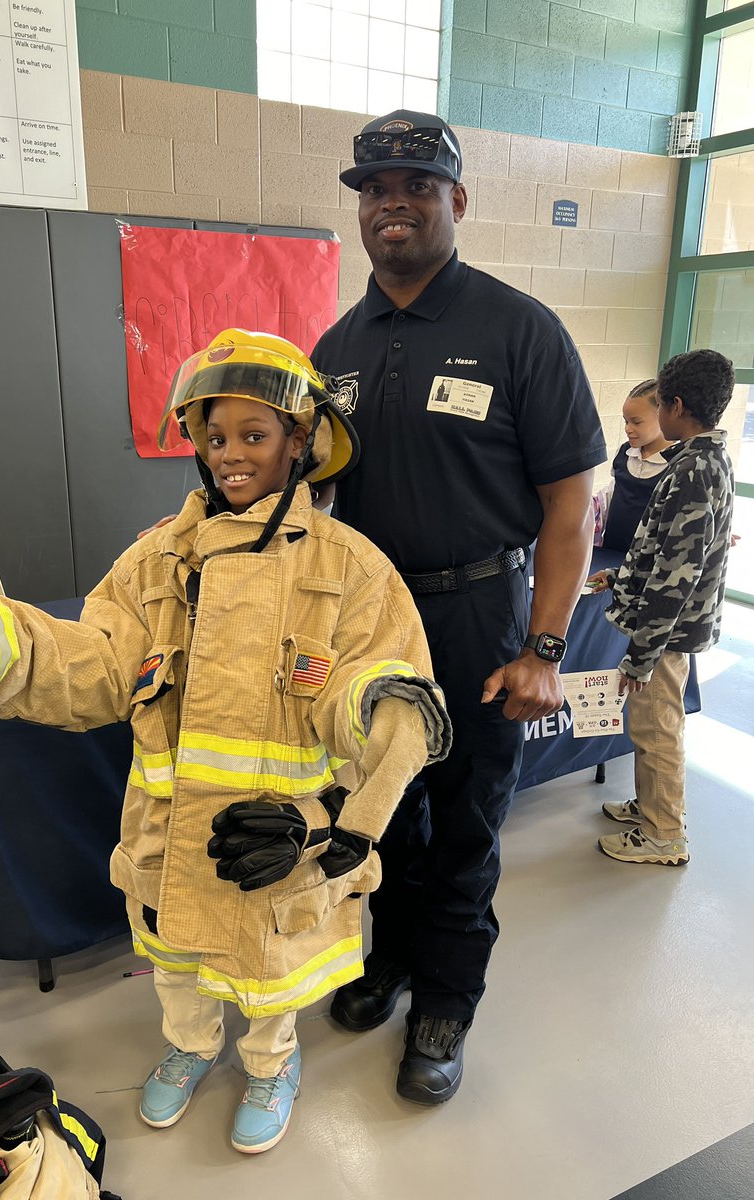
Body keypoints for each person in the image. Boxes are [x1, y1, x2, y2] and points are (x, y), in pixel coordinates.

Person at [0, 329, 451, 1155]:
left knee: (267, 976)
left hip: (277, 838)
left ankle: (271, 1066)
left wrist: (342, 804)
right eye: (213, 436)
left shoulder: (352, 571)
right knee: (176, 966)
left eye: (253, 436)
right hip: (169, 832)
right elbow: (97, 661)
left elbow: (367, 695)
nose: (230, 456)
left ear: (302, 441)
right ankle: (190, 1049)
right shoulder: (158, 559)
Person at [309, 109, 608, 1105]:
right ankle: (390, 959)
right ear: (360, 207)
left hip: (479, 611)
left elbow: (570, 506)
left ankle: (445, 997)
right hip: (371, 624)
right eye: (375, 189)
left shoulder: (518, 329)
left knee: (470, 821)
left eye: (416, 188)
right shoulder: (336, 345)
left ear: (456, 202)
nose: (393, 205)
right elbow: (308, 500)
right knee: (385, 809)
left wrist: (546, 647)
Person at [588, 349, 735, 865]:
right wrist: (622, 578)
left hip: (668, 634)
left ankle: (663, 833)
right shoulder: (705, 459)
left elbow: (679, 576)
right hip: (671, 623)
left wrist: (643, 653)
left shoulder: (693, 468)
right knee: (653, 723)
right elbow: (664, 551)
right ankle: (652, 805)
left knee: (656, 727)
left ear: (674, 406)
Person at [593, 379, 672, 551]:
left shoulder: (677, 463)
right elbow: (611, 494)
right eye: (626, 421)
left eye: (636, 422)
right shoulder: (625, 453)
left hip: (646, 561)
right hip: (611, 552)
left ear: (662, 416)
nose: (628, 429)